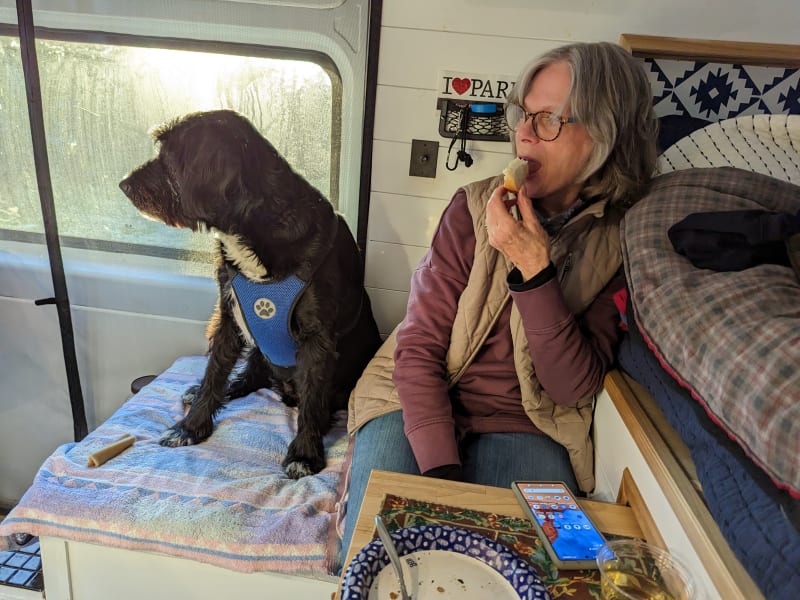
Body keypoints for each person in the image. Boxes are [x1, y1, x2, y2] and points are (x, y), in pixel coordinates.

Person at [339, 41, 658, 563]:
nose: (525, 133)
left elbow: (571, 386)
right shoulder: (471, 207)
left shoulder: (623, 237)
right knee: (378, 554)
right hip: (413, 395)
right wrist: (444, 479)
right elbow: (417, 347)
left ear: (604, 133)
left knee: (542, 568)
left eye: (549, 119)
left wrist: (535, 272)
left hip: (530, 420)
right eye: (524, 115)